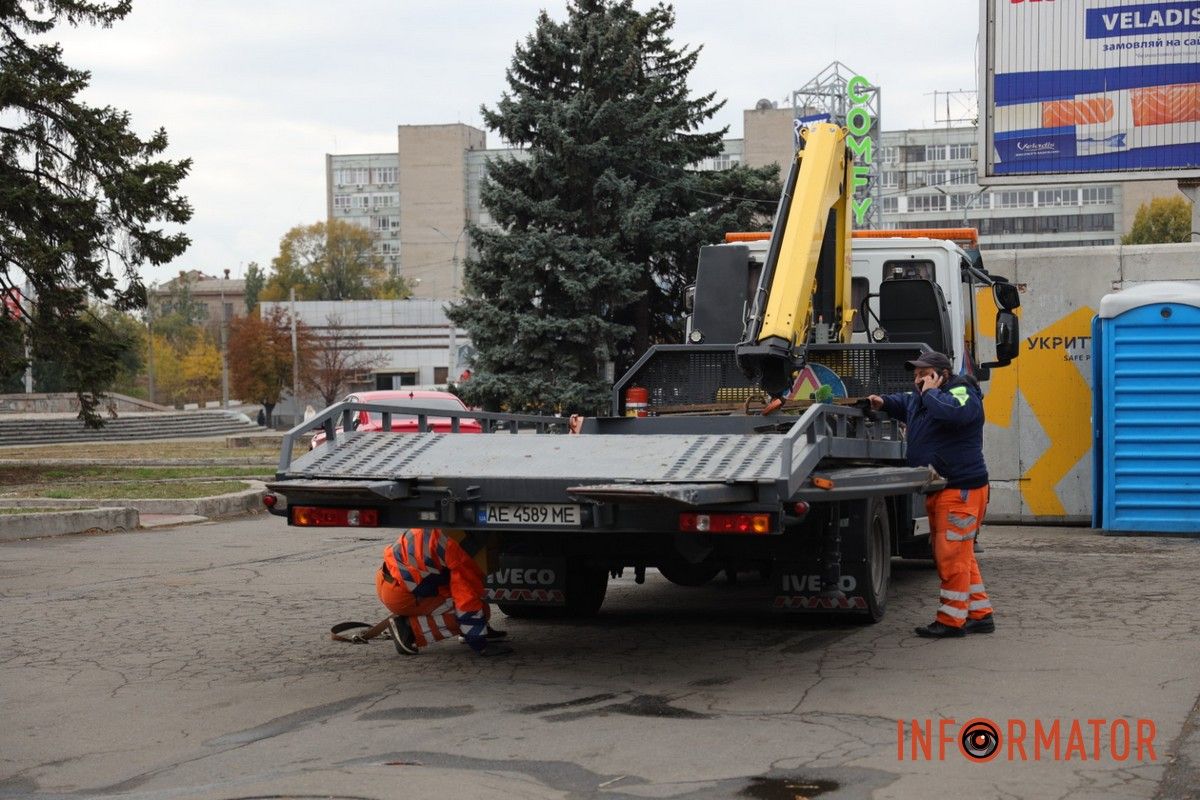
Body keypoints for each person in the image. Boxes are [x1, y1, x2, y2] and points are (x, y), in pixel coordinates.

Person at [868, 351, 995, 639]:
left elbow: (955, 412)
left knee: (951, 556)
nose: (917, 379)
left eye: (923, 373)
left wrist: (931, 393)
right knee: (959, 555)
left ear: (940, 374)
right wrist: (883, 402)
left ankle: (951, 621)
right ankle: (980, 614)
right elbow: (905, 403)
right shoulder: (922, 397)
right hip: (942, 488)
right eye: (915, 375)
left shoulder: (961, 391)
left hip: (961, 489)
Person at [376, 527, 511, 657]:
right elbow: (466, 602)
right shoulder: (461, 553)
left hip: (389, 580)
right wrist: (481, 645)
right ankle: (409, 630)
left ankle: (472, 631)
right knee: (476, 611)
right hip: (402, 593)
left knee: (478, 610)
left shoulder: (446, 528)